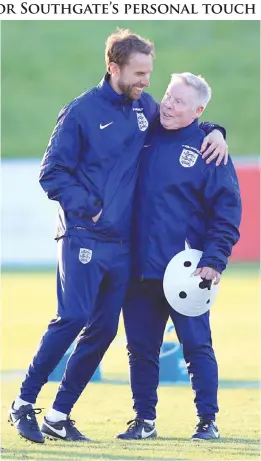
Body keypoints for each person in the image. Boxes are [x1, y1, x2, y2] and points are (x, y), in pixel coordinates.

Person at [9, 31, 228, 444]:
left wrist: (215, 129)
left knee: (104, 331)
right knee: (73, 318)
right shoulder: (80, 112)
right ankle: (23, 403)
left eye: (150, 73)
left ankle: (58, 415)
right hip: (83, 235)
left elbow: (181, 121)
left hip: (122, 248)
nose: (149, 83)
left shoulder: (143, 108)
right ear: (114, 68)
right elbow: (51, 172)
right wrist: (88, 206)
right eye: (140, 73)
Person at [116, 73, 242, 441]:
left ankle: (208, 421)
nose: (168, 105)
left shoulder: (209, 149)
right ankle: (144, 421)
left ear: (198, 111)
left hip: (187, 271)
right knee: (140, 349)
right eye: (168, 96)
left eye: (179, 102)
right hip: (138, 267)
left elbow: (227, 211)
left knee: (197, 346)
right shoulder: (145, 130)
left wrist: (215, 259)